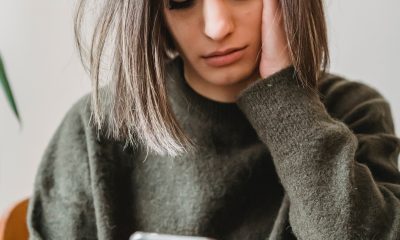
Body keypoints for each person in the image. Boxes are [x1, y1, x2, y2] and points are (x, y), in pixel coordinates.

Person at [27, 0, 400, 239]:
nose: (217, 26)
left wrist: (286, 100)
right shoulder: (96, 129)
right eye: (181, 1)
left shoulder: (355, 111)